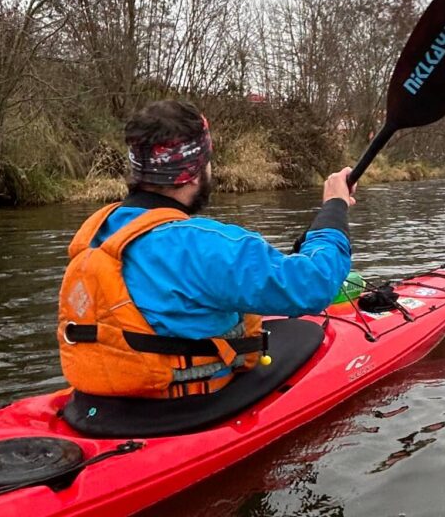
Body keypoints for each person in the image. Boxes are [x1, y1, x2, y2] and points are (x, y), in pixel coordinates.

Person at [58, 100, 355, 399]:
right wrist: (335, 207)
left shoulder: (97, 231)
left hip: (105, 400)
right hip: (185, 406)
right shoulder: (205, 245)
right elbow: (313, 285)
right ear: (195, 170)